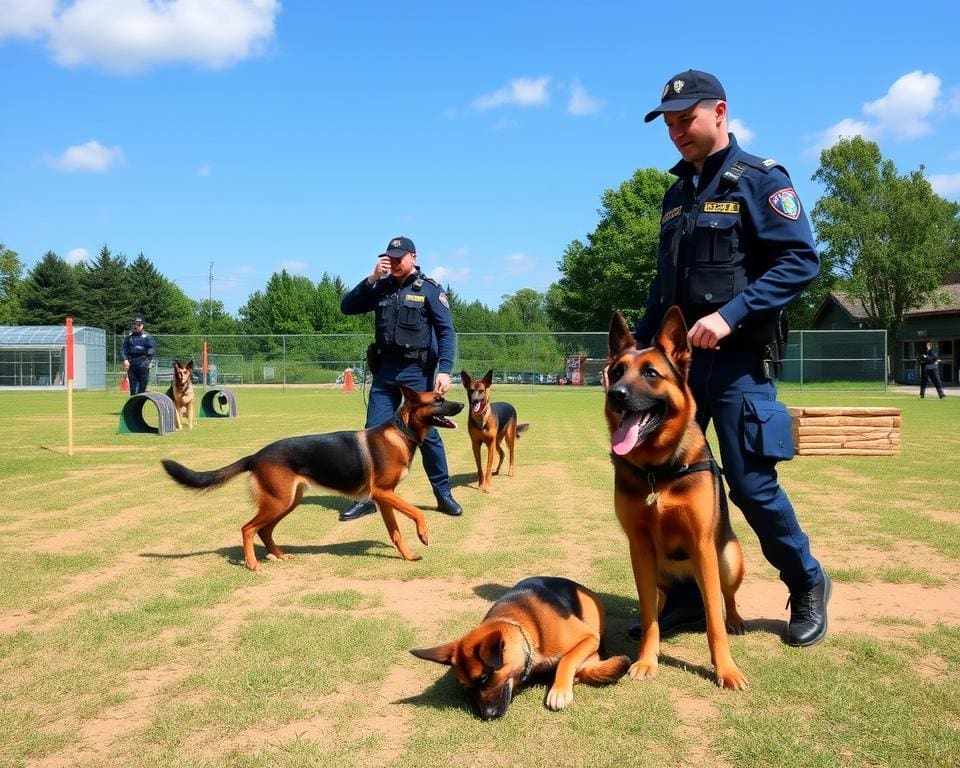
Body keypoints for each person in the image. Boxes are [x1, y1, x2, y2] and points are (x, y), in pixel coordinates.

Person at [630, 70, 830, 647]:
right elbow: (663, 289)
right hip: (677, 371)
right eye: (668, 123)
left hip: (738, 361)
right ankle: (693, 594)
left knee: (747, 484)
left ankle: (807, 582)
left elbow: (799, 261)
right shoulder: (675, 195)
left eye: (685, 119)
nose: (676, 132)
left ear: (719, 112)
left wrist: (731, 314)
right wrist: (637, 352)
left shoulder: (761, 180)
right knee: (672, 481)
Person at [339, 236, 463, 520]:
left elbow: (446, 332)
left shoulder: (429, 290)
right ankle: (369, 496)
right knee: (373, 433)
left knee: (428, 435)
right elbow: (347, 307)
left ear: (413, 258)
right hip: (385, 372)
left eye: (399, 258)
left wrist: (444, 369)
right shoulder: (380, 287)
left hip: (417, 373)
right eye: (389, 258)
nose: (393, 262)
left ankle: (443, 494)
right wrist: (371, 278)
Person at [121, 315, 155, 395]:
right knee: (133, 388)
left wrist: (147, 362)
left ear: (142, 325)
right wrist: (125, 360)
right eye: (135, 324)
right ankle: (133, 405)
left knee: (142, 387)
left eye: (139, 324)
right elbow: (124, 349)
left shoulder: (147, 337)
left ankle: (140, 404)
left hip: (143, 363)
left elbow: (151, 349)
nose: (136, 326)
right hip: (131, 363)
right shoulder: (129, 337)